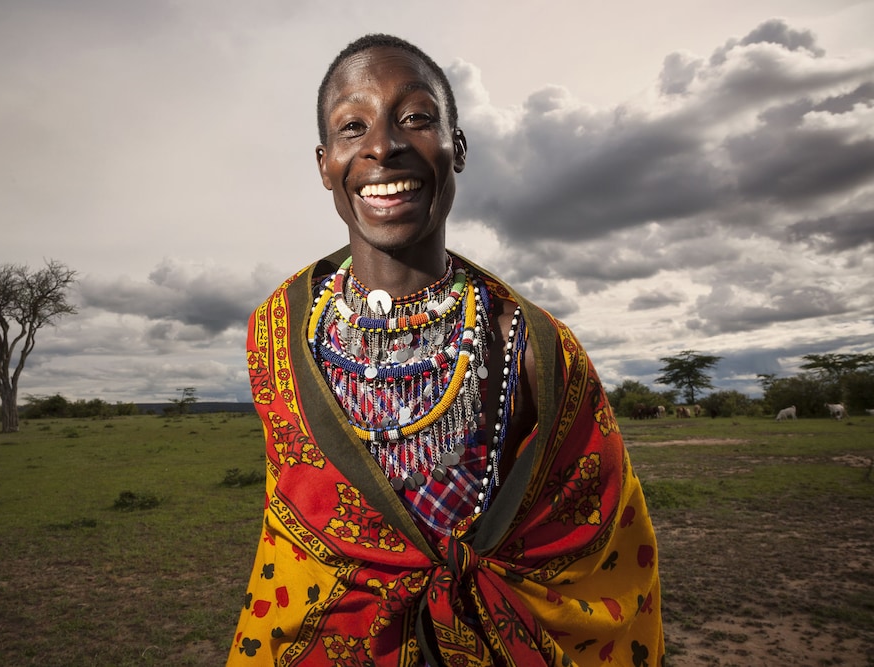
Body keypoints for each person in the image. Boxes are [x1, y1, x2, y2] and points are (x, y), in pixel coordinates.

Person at [228, 34, 664, 666]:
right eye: (353, 127)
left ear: (456, 147)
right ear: (325, 164)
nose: (383, 145)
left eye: (415, 117)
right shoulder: (280, 332)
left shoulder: (528, 345)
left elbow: (600, 543)